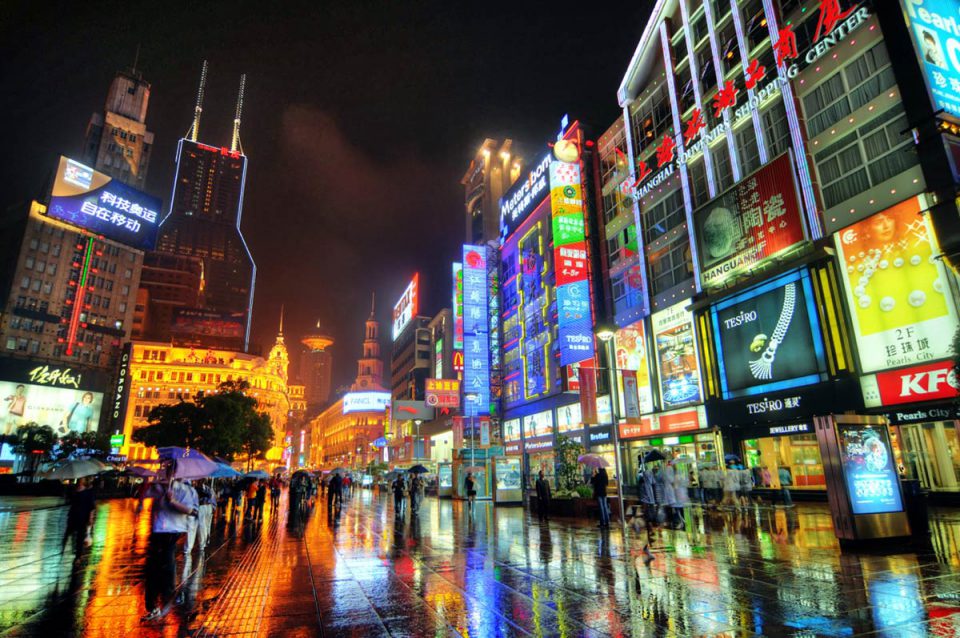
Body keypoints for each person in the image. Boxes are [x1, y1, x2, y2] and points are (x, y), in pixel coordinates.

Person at [141, 460, 197, 622]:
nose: (169, 473)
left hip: (172, 531)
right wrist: (148, 483)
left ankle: (169, 596)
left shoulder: (187, 490)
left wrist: (172, 501)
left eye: (172, 470)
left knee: (167, 563)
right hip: (157, 530)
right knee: (152, 568)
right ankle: (152, 605)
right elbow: (144, 495)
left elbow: (190, 510)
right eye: (168, 470)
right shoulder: (160, 487)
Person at [62, 477, 96, 558]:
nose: (81, 481)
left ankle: (78, 556)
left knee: (80, 537)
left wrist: (90, 518)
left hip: (83, 517)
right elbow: (69, 501)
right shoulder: (73, 490)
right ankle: (63, 549)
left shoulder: (88, 492)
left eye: (82, 479)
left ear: (84, 481)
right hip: (73, 516)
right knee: (67, 533)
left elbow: (91, 506)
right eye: (80, 480)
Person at [196, 480, 215, 549]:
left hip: (203, 507)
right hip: (208, 507)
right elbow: (213, 500)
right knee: (206, 526)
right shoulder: (209, 489)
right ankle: (205, 541)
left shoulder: (206, 489)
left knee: (203, 526)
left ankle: (203, 543)